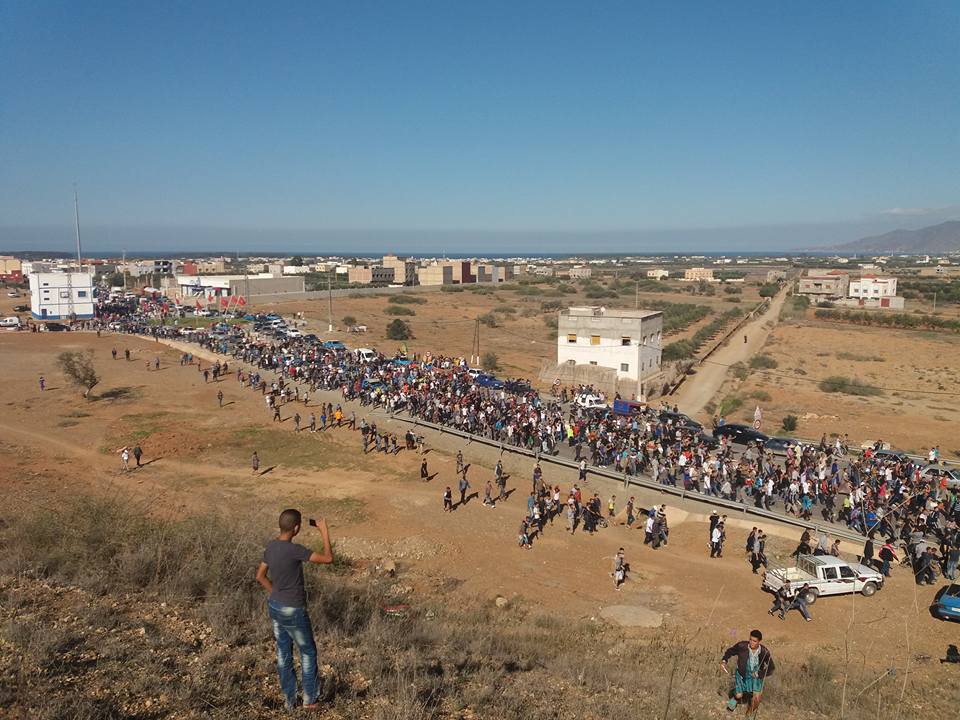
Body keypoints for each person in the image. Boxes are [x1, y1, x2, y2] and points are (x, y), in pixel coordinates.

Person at [255, 510, 333, 711]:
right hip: (294, 610)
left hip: (275, 606)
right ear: (296, 528)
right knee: (307, 652)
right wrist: (324, 531)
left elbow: (260, 576)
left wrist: (277, 594)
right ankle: (310, 700)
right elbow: (327, 558)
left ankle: (289, 700)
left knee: (283, 652)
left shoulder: (271, 547)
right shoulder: (295, 550)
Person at [720, 630, 775, 716]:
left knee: (756, 699)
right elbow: (730, 651)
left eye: (754, 641)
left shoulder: (764, 652)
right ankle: (735, 698)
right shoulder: (742, 646)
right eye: (750, 639)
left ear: (759, 641)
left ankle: (749, 715)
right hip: (742, 674)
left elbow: (771, 668)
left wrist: (759, 674)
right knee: (739, 695)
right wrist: (724, 660)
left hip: (756, 676)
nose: (751, 642)